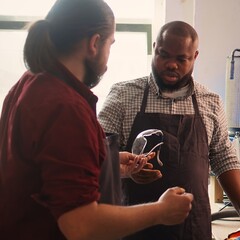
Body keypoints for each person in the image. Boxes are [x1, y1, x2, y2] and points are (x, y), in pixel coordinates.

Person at [0, 1, 193, 239]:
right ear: (94, 43)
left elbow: (44, 172)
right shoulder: (66, 107)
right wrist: (161, 211)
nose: (108, 57)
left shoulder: (28, 83)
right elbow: (81, 225)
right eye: (110, 44)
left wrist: (106, 165)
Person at [98, 20, 240, 239]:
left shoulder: (210, 102)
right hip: (134, 228)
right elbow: (97, 157)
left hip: (192, 229)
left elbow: (224, 159)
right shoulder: (122, 96)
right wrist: (124, 172)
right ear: (154, 48)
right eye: (164, 55)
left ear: (195, 57)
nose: (172, 64)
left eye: (181, 58)